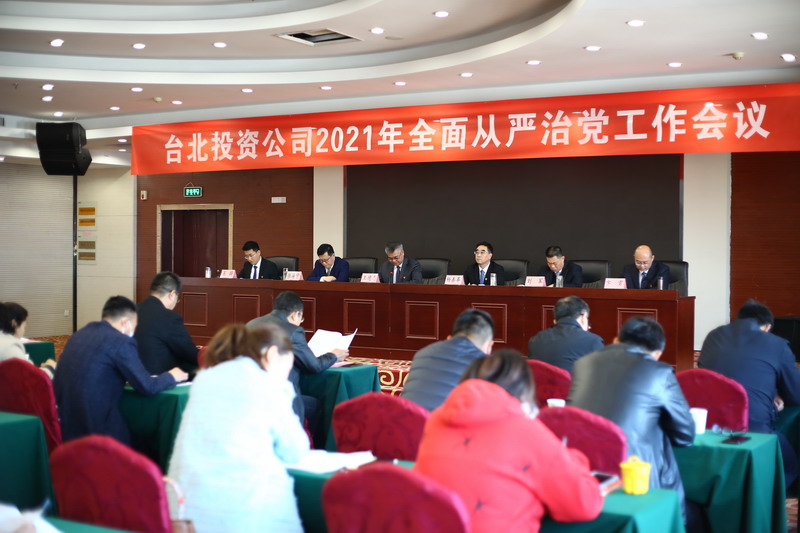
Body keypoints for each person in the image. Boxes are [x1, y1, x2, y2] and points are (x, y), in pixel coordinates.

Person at [415, 350, 603, 533]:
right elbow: (585, 504)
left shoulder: (437, 419)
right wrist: (573, 457)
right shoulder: (527, 431)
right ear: (524, 393)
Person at [168, 323, 309, 533]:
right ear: (272, 354)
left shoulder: (204, 379)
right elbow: (295, 450)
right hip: (244, 514)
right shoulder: (268, 384)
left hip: (185, 512)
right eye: (287, 366)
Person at [568, 317, 694, 511]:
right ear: (657, 353)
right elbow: (685, 434)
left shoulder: (582, 363)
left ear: (616, 340)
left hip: (582, 470)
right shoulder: (659, 371)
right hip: (632, 479)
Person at [54, 296, 188, 443]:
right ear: (125, 322)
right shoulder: (121, 341)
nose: (134, 332)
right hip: (98, 428)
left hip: (66, 426)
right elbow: (147, 386)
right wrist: (171, 376)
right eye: (134, 326)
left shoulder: (79, 334)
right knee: (145, 438)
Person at [698, 299, 800, 488]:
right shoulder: (777, 344)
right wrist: (774, 392)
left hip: (707, 425)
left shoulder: (713, 336)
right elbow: (796, 394)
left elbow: (712, 376)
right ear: (767, 326)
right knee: (791, 466)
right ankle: (761, 499)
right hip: (751, 428)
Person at [246, 291, 348, 430]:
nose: (300, 322)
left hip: (250, 391)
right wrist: (333, 355)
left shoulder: (252, 323)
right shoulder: (293, 330)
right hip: (280, 397)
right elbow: (314, 366)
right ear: (295, 314)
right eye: (301, 318)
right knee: (316, 406)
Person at [401, 309, 494, 411]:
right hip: (443, 420)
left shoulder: (422, 353)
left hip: (406, 417)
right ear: (489, 345)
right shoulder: (485, 365)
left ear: (449, 338)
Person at [135, 272, 199, 375]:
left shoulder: (133, 310)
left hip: (131, 376)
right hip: (160, 378)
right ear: (172, 294)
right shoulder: (169, 317)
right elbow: (189, 353)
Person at [528, 296, 604, 372]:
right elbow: (600, 374)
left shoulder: (535, 340)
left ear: (555, 320)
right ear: (583, 317)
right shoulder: (593, 341)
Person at [0, 302, 57, 378]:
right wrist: (50, 367)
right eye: (24, 327)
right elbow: (32, 379)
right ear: (14, 323)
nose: (24, 330)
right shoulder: (10, 347)